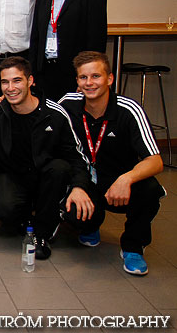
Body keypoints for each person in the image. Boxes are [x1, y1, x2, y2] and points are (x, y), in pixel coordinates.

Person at [59, 51, 165, 275]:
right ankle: (90, 224)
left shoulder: (128, 110)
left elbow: (155, 161)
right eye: (83, 78)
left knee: (150, 189)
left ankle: (133, 247)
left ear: (109, 79)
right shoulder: (68, 105)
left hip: (119, 181)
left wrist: (126, 179)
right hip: (84, 179)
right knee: (68, 203)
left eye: (96, 76)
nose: (89, 83)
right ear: (77, 81)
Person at [0, 57, 90, 259]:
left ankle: (42, 233)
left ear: (30, 81)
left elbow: (76, 156)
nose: (11, 88)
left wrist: (79, 186)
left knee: (60, 167)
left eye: (17, 81)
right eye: (5, 82)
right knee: (5, 210)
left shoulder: (54, 114)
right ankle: (24, 216)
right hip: (12, 176)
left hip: (46, 178)